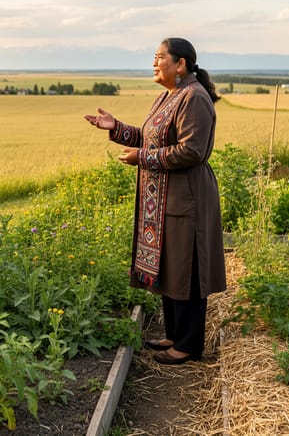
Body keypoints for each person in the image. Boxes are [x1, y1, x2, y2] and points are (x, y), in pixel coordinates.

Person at [84, 37, 226, 365]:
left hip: (186, 197)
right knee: (171, 266)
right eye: (154, 57)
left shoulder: (194, 98)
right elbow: (151, 138)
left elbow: (192, 150)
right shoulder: (168, 96)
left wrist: (143, 157)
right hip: (164, 197)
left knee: (187, 268)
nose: (154, 62)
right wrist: (116, 128)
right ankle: (174, 335)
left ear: (181, 64)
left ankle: (189, 345)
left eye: (160, 57)